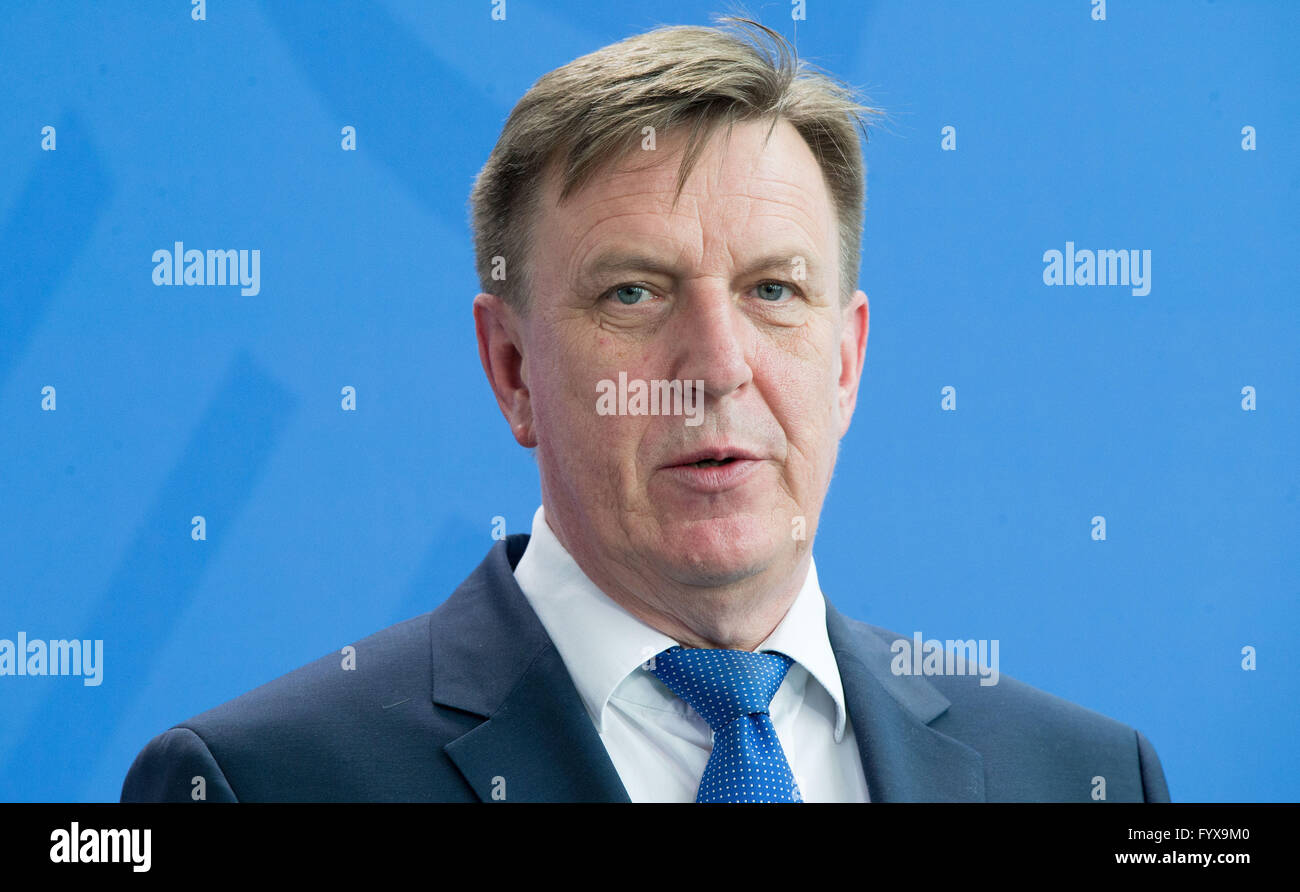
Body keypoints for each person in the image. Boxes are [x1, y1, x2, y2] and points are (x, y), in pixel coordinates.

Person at [121, 17, 1169, 803]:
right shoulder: (256, 786)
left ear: (844, 363)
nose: (715, 367)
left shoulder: (1089, 777)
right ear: (514, 369)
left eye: (772, 291)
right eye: (633, 293)